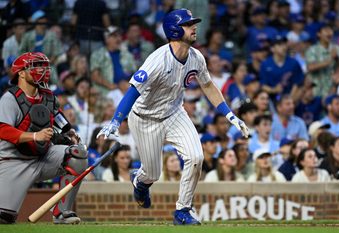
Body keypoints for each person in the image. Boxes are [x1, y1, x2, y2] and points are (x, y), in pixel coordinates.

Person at [97, 8, 249, 225]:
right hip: (145, 118)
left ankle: (183, 210)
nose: (194, 27)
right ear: (175, 30)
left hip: (174, 113)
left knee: (196, 157)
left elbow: (208, 85)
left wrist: (230, 115)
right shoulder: (157, 60)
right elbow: (132, 91)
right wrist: (115, 121)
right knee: (152, 174)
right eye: (188, 24)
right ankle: (140, 181)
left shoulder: (196, 57)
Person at [0, 52, 88, 224]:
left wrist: (70, 132)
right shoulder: (10, 98)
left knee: (78, 153)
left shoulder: (48, 96)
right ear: (21, 73)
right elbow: (2, 129)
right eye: (35, 66)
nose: (42, 69)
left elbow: (59, 119)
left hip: (44, 157)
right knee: (4, 219)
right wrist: (34, 136)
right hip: (13, 161)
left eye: (43, 65)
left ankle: (62, 213)